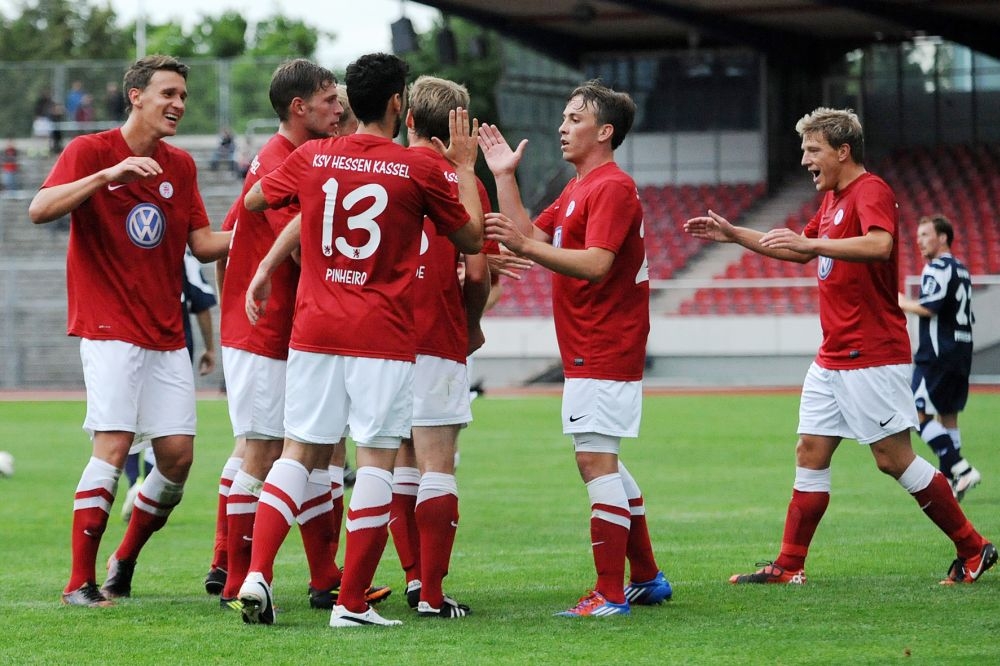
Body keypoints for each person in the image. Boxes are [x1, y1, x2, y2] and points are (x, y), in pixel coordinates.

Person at [683, 107, 996, 586]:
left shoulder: (870, 190)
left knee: (893, 459)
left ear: (843, 151)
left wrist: (815, 246)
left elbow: (879, 245)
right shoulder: (831, 201)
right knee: (809, 450)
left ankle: (973, 547)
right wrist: (735, 235)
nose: (805, 159)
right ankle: (789, 565)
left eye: (813, 149)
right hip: (833, 356)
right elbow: (796, 248)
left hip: (871, 354)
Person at [239, 52, 483, 628]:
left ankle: (257, 574)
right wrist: (466, 168)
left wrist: (304, 213)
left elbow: (254, 201)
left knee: (298, 452)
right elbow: (472, 239)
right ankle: (350, 604)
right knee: (375, 459)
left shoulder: (314, 155)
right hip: (380, 333)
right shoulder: (416, 168)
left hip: (315, 329)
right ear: (398, 103)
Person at [29, 54, 231, 608]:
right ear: (136, 96)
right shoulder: (89, 150)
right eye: (168, 93)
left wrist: (268, 230)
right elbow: (39, 209)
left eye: (183, 96)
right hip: (108, 325)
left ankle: (124, 560)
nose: (178, 104)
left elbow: (202, 244)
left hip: (165, 332)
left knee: (178, 457)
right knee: (114, 445)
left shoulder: (180, 166)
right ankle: (79, 582)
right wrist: (106, 176)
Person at [478, 80, 672, 617]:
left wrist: (523, 244)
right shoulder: (578, 188)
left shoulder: (611, 187)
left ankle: (609, 594)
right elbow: (528, 237)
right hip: (591, 341)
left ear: (605, 131)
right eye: (564, 118)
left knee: (594, 460)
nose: (562, 127)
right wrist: (504, 177)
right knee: (603, 459)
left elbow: (596, 263)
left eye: (574, 119)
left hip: (605, 341)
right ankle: (646, 578)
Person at [207, 60, 387, 612]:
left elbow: (233, 235)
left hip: (284, 329)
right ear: (298, 107)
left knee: (310, 450)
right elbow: (312, 248)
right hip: (266, 331)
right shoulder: (282, 162)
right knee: (262, 451)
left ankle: (321, 575)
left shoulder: (290, 159)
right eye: (330, 100)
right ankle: (237, 580)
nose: (339, 109)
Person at [386, 75, 492, 619]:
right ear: (459, 127)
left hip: (382, 338)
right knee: (437, 465)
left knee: (399, 461)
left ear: (408, 119)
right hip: (436, 335)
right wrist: (469, 326)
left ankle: (411, 577)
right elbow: (478, 271)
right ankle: (431, 593)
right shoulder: (460, 180)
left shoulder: (382, 169)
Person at [121, 248, 218, 522]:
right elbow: (201, 303)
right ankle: (145, 488)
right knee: (165, 427)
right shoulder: (183, 255)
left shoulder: (127, 249)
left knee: (128, 421)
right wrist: (210, 347)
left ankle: (135, 483)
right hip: (172, 351)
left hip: (128, 347)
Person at [898, 214, 980, 500]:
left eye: (925, 235)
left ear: (942, 237)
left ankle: (961, 468)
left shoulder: (937, 267)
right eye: (918, 236)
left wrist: (901, 302)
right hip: (961, 350)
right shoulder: (962, 269)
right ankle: (950, 482)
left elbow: (929, 307)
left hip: (937, 353)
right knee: (948, 417)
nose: (919, 241)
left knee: (916, 414)